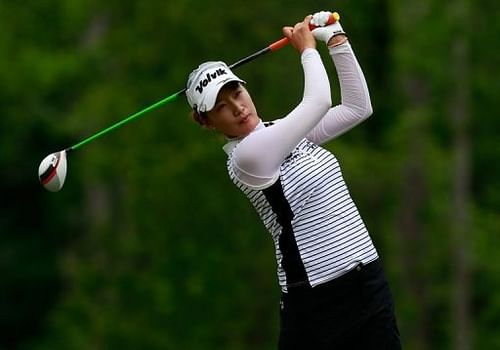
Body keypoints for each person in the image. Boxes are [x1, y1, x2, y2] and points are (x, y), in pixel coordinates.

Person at [185, 11, 401, 349]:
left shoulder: (285, 132)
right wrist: (307, 49)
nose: (238, 107)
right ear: (209, 122)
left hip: (368, 283)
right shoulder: (247, 158)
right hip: (318, 300)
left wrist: (336, 39)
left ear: (246, 89)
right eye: (222, 107)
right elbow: (319, 101)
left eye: (237, 93)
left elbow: (358, 108)